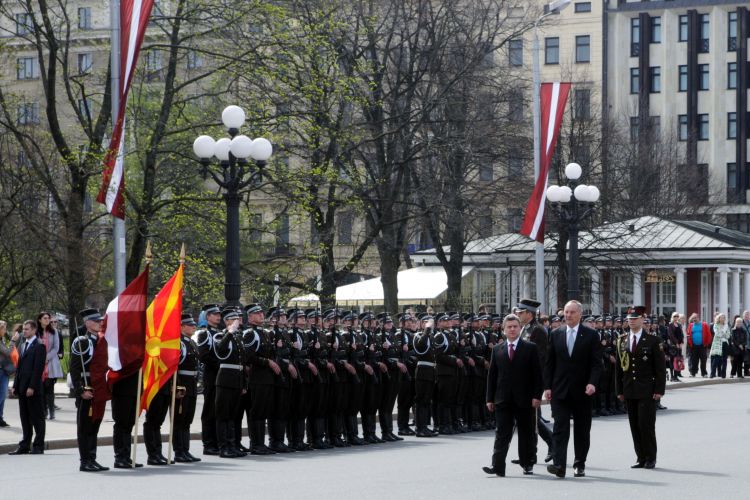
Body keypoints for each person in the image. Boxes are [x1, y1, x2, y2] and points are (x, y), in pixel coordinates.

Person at [544, 300, 602, 479]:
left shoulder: (591, 335)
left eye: (572, 312)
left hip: (583, 391)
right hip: (560, 391)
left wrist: (592, 383)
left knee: (582, 430)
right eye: (566, 312)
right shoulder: (556, 334)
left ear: (580, 314)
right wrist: (547, 386)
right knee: (560, 428)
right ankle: (559, 465)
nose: (567, 315)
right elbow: (549, 363)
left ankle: (579, 464)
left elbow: (596, 364)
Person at [482, 314, 543, 477]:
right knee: (502, 433)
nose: (512, 329)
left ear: (520, 328)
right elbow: (492, 376)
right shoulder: (497, 349)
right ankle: (497, 466)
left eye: (515, 326)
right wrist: (489, 398)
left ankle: (527, 463)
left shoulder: (530, 348)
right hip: (503, 399)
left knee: (526, 432)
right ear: (504, 329)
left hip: (525, 399)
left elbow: (537, 375)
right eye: (509, 327)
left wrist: (537, 396)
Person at [615, 306, 666, 469]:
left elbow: (660, 368)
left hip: (647, 389)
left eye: (635, 318)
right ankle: (640, 457)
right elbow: (619, 368)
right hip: (629, 388)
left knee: (646, 425)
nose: (631, 321)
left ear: (643, 319)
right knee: (634, 425)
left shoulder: (653, 341)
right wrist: (619, 390)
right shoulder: (622, 340)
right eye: (629, 319)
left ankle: (651, 457)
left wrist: (659, 390)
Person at [514, 298, 553, 464]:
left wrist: (539, 383)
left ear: (529, 314)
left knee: (531, 418)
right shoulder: (525, 329)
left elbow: (541, 358)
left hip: (532, 380)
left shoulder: (538, 331)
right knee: (530, 418)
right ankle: (530, 453)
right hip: (522, 380)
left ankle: (546, 445)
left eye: (520, 312)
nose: (518, 315)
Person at [69, 313, 108, 472]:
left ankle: (92, 458)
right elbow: (74, 368)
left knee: (94, 425)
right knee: (85, 427)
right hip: (86, 387)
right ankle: (85, 461)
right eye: (96, 321)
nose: (100, 323)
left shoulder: (100, 340)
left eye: (101, 321)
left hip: (98, 387)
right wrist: (80, 390)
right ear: (87, 323)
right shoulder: (82, 341)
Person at [9, 320, 47, 455]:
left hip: (33, 389)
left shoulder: (39, 346)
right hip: (22, 388)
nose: (24, 331)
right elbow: (19, 368)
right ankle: (24, 445)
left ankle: (38, 445)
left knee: (37, 418)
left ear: (34, 330)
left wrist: (32, 387)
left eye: (27, 329)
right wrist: (15, 385)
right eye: (23, 329)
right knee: (25, 418)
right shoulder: (23, 344)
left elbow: (38, 369)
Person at [173, 312, 201, 462]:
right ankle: (178, 451)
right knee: (179, 419)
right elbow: (174, 367)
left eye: (194, 324)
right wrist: (177, 386)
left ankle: (185, 450)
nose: (193, 327)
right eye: (190, 325)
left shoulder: (191, 342)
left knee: (187, 419)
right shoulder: (179, 343)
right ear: (181, 327)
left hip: (192, 384)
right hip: (182, 385)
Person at [37, 311, 63, 420]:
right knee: (41, 389)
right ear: (40, 320)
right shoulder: (36, 332)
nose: (47, 320)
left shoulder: (54, 331)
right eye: (45, 318)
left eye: (48, 318)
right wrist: (41, 358)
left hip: (51, 362)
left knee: (49, 389)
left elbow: (56, 347)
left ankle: (52, 411)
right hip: (39, 363)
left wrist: (46, 357)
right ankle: (44, 411)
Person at [686, 313, 711, 377]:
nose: (694, 319)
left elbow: (709, 334)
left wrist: (707, 343)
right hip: (693, 346)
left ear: (698, 318)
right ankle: (693, 373)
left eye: (695, 318)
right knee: (694, 360)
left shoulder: (704, 324)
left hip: (702, 346)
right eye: (693, 318)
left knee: (703, 360)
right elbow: (688, 334)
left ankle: (704, 373)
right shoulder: (690, 325)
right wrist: (689, 342)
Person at [0, 321, 14, 427]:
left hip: (4, 370)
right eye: (4, 328)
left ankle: (0, 418)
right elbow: (8, 352)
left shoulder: (2, 340)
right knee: (2, 394)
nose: (5, 331)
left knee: (3, 396)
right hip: (1, 370)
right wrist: (13, 341)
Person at [709, 313, 731, 379]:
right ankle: (712, 373)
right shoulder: (716, 325)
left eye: (724, 317)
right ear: (719, 318)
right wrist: (723, 333)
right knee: (716, 358)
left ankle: (723, 374)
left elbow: (728, 335)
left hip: (725, 343)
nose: (723, 319)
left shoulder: (726, 326)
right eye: (721, 317)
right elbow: (717, 334)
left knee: (724, 359)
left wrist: (722, 333)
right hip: (718, 343)